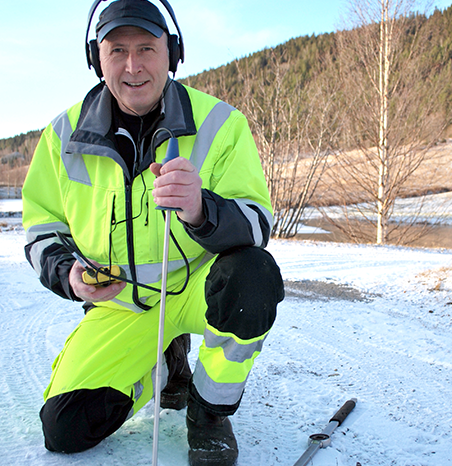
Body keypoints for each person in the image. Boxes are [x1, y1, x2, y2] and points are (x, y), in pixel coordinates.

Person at [21, 0, 284, 464]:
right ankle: (164, 366)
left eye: (147, 47)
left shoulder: (221, 124)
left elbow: (258, 222)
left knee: (254, 276)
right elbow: (41, 227)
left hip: (197, 289)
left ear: (172, 53)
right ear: (95, 59)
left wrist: (202, 210)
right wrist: (69, 274)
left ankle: (209, 413)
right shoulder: (61, 138)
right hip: (122, 303)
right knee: (64, 428)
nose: (133, 65)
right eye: (116, 49)